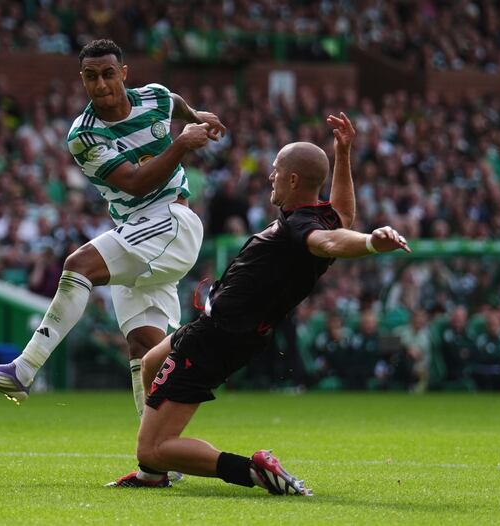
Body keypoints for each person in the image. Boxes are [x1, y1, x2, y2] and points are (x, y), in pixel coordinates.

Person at [106, 113, 410, 494]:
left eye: (276, 170)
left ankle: (252, 470)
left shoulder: (302, 228)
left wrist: (370, 243)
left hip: (216, 337)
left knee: (152, 449)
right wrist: (343, 154)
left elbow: (332, 241)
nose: (270, 176)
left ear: (293, 180)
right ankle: (154, 472)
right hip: (228, 331)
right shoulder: (316, 217)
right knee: (151, 364)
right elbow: (344, 218)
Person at [0, 38, 225, 420]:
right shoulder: (84, 136)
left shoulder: (153, 97)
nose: (100, 84)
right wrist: (182, 143)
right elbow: (135, 183)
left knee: (79, 264)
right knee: (144, 348)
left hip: (173, 222)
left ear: (123, 74)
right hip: (140, 230)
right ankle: (154, 448)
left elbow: (174, 102)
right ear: (82, 79)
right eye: (90, 77)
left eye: (107, 74)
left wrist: (196, 114)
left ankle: (23, 370)